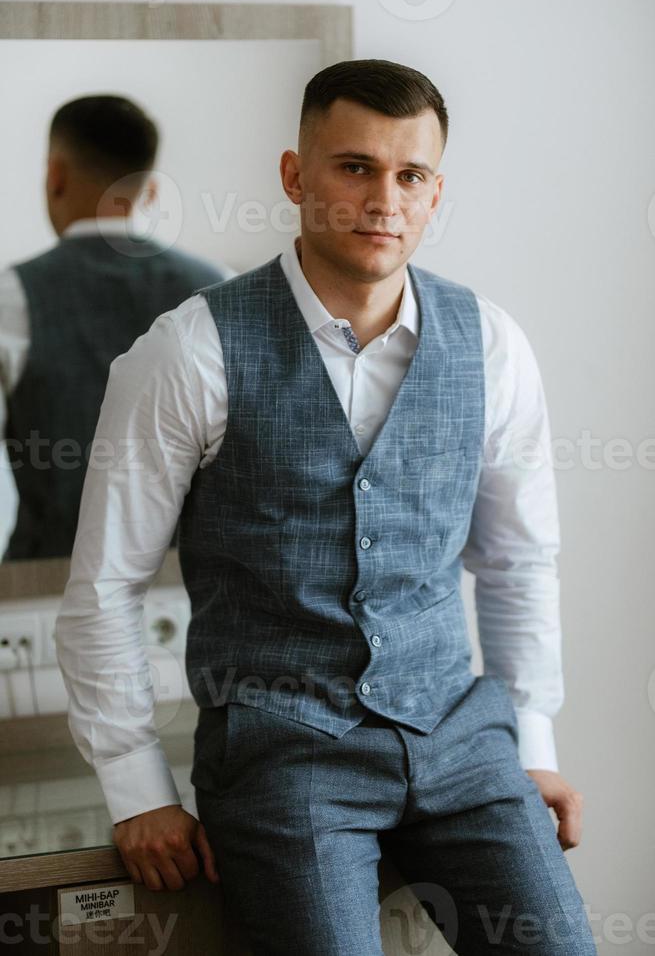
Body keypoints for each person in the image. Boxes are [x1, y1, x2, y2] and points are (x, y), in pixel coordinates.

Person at [54, 61, 597, 954]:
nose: (384, 198)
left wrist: (532, 740)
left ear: (433, 192)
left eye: (409, 174)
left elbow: (517, 559)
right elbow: (106, 580)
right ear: (294, 176)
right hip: (283, 755)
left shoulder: (490, 344)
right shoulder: (189, 351)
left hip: (463, 744)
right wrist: (135, 785)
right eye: (354, 167)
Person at [0, 94, 235, 560]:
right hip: (190, 586)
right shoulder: (221, 287)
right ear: (149, 190)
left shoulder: (12, 296)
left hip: (45, 589)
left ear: (56, 176)